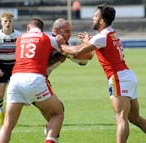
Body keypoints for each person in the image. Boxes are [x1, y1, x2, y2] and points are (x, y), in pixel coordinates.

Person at [61, 4, 146, 143]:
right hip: (128, 76)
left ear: (101, 21)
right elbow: (101, 45)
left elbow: (76, 51)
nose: (92, 19)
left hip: (119, 78)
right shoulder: (110, 33)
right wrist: (89, 41)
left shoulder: (102, 37)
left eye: (95, 16)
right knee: (134, 118)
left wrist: (59, 45)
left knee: (121, 117)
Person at [0, 18, 64, 143]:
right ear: (41, 29)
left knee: (7, 125)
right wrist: (61, 40)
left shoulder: (19, 39)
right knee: (58, 113)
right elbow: (63, 49)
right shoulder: (47, 38)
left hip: (15, 79)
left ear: (28, 28)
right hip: (35, 78)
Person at [0, 12, 21, 125]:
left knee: (13, 94)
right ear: (1, 22)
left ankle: (9, 117)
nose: (7, 23)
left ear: (12, 22)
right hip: (1, 66)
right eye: (5, 21)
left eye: (9, 21)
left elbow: (22, 52)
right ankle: (0, 110)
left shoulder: (19, 36)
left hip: (15, 67)